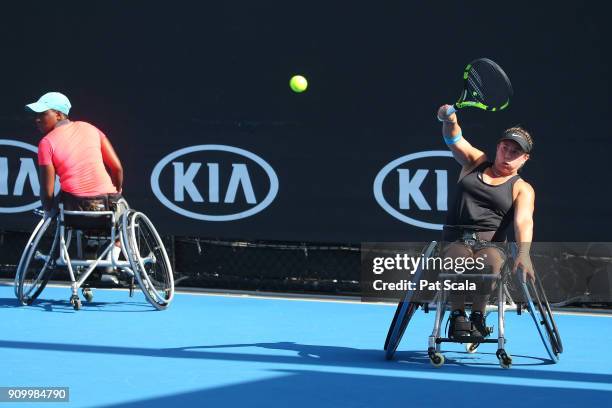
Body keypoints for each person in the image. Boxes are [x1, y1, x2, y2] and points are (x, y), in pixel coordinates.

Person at [437, 104, 535, 340]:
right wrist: (449, 119)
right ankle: (458, 314)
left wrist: (524, 253)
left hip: (491, 245)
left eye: (515, 152)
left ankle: (478, 315)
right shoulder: (474, 162)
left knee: (490, 264)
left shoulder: (522, 188)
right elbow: (455, 139)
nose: (507, 155)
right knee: (457, 258)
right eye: (505, 148)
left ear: (524, 159)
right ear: (498, 147)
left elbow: (524, 221)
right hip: (455, 239)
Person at [26, 91, 124, 283]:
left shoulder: (46, 143)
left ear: (59, 115)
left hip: (73, 210)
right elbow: (117, 168)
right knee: (126, 216)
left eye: (42, 114)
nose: (37, 119)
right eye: (36, 115)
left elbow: (47, 191)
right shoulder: (91, 129)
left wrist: (47, 211)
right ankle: (113, 258)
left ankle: (92, 252)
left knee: (62, 200)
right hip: (107, 205)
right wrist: (117, 192)